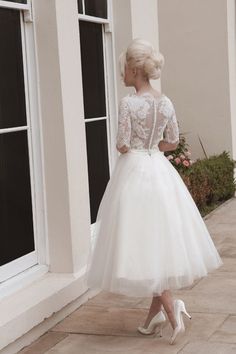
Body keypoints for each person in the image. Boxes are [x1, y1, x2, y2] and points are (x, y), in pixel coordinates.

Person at [85, 38, 223, 345]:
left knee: (144, 244)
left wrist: (134, 148)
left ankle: (173, 315)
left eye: (124, 68)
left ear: (134, 70)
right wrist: (152, 149)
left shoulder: (128, 103)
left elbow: (121, 143)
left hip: (134, 171)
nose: (122, 73)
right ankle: (152, 319)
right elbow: (172, 141)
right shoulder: (165, 101)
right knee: (155, 244)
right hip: (159, 170)